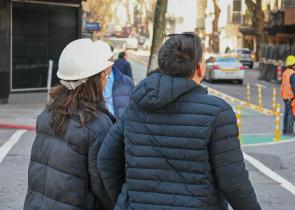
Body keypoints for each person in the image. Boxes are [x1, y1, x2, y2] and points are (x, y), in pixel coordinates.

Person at [97, 32, 261, 210]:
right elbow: (234, 182)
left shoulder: (136, 106)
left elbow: (106, 159)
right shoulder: (218, 112)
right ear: (199, 68)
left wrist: (126, 199)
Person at [24, 39, 115, 210]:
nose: (105, 80)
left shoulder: (48, 113)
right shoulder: (96, 124)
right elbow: (103, 186)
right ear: (92, 80)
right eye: (104, 75)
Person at [95, 41, 134, 118]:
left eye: (109, 57)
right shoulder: (87, 82)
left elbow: (134, 108)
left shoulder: (127, 82)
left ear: (112, 57)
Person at [280, 55, 295, 136]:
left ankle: (285, 130)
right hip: (292, 98)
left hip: (286, 97)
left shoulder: (285, 72)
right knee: (292, 114)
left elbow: (283, 85)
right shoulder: (293, 74)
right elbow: (294, 87)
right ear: (293, 64)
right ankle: (290, 131)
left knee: (286, 114)